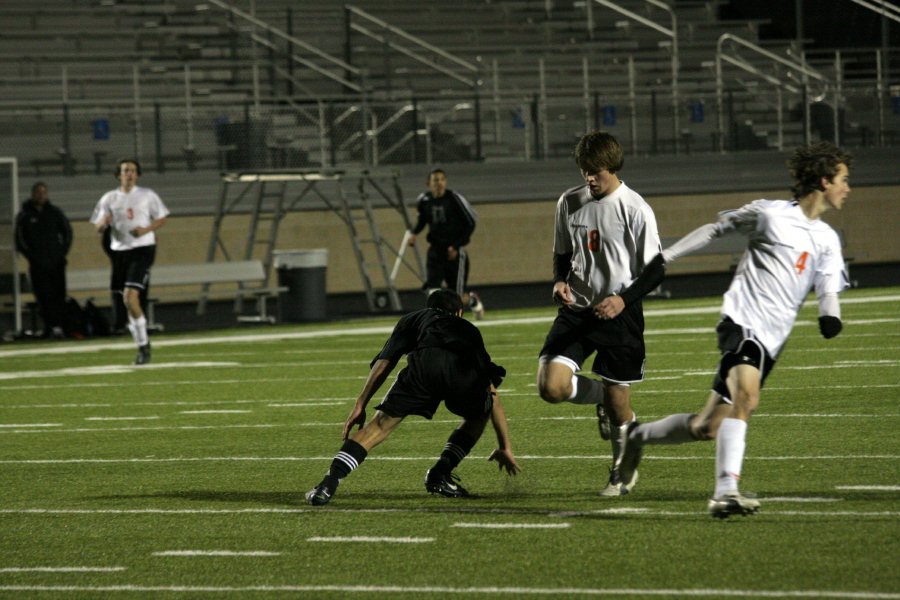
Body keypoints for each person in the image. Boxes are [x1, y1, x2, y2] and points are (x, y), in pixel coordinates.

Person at [601, 141, 853, 518]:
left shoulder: (828, 240)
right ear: (823, 180)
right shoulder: (770, 215)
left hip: (772, 340)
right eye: (843, 180)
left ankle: (635, 437)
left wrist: (829, 317)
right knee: (747, 400)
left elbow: (828, 289)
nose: (848, 188)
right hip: (742, 322)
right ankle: (724, 493)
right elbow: (715, 230)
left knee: (708, 426)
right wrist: (666, 256)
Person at [306, 289, 520, 506]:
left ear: (428, 308)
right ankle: (440, 473)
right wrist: (505, 447)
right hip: (461, 372)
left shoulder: (414, 318)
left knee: (378, 427)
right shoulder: (469, 329)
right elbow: (491, 393)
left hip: (424, 366)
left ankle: (328, 484)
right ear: (459, 312)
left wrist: (360, 403)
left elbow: (384, 363)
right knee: (479, 414)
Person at [536, 130, 661, 497]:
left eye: (597, 171)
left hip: (619, 314)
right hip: (577, 309)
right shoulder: (569, 201)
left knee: (621, 406)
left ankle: (622, 473)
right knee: (550, 387)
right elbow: (562, 251)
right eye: (585, 171)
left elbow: (655, 269)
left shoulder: (635, 208)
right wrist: (560, 280)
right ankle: (600, 400)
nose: (590, 178)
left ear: (613, 166)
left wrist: (623, 300)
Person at [90, 159, 169, 364]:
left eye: (133, 171)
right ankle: (142, 343)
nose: (130, 174)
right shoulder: (109, 198)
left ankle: (143, 346)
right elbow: (97, 226)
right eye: (126, 170)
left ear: (138, 175)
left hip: (142, 249)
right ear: (119, 175)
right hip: (119, 253)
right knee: (126, 302)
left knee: (129, 297)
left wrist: (145, 230)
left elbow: (161, 218)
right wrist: (103, 224)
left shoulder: (147, 195)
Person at [408, 168, 485, 319]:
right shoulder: (424, 200)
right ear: (428, 183)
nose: (439, 183)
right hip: (436, 250)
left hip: (455, 252)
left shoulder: (454, 199)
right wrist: (414, 233)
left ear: (446, 182)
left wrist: (456, 246)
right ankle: (436, 322)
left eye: (442, 179)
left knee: (455, 296)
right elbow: (422, 220)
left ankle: (472, 300)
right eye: (435, 180)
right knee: (432, 290)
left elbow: (471, 223)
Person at [14, 182, 73, 339]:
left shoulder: (55, 213)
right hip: (38, 265)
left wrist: (61, 253)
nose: (41, 195)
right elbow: (20, 240)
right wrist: (32, 256)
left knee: (58, 295)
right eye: (38, 192)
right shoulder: (25, 215)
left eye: (44, 192)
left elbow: (67, 233)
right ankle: (49, 326)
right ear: (33, 194)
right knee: (43, 296)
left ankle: (59, 327)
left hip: (56, 263)